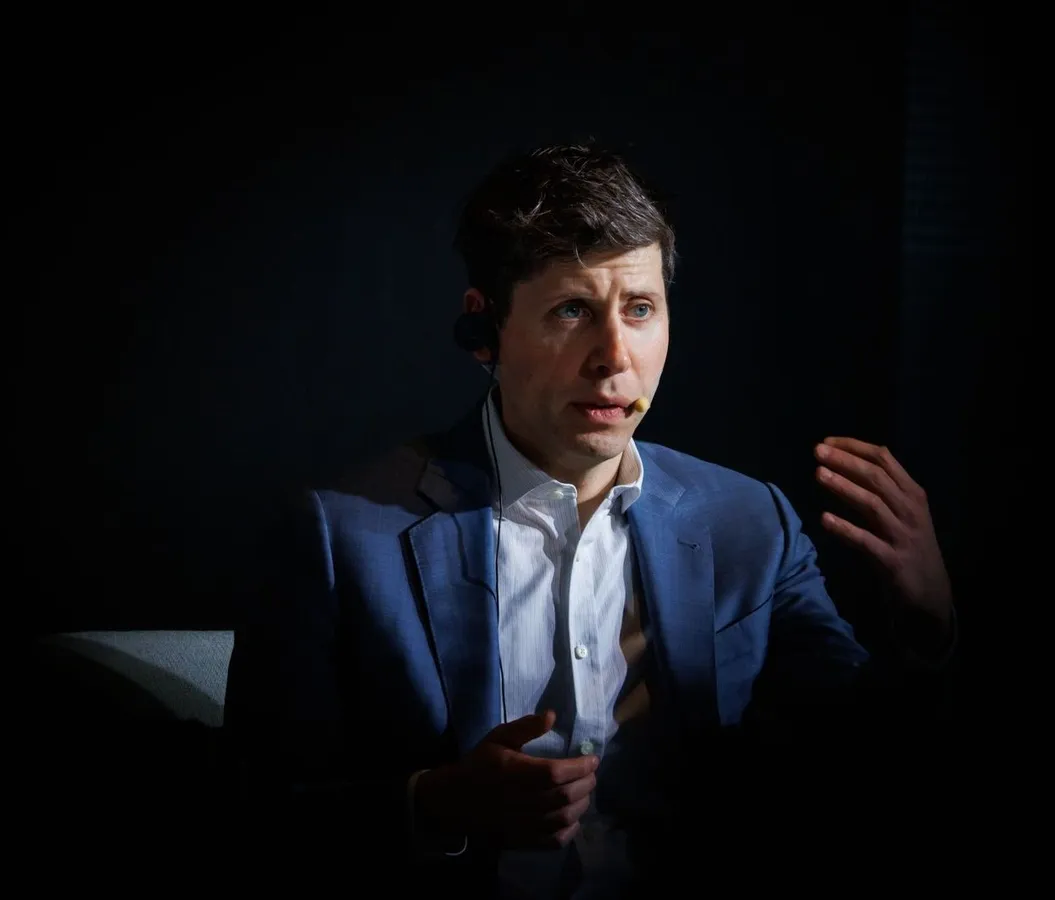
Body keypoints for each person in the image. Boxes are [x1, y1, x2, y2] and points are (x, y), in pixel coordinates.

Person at [223, 144, 957, 895]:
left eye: (639, 309)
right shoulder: (340, 538)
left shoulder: (751, 524)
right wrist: (433, 806)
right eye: (572, 310)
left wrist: (929, 626)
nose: (614, 357)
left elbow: (862, 772)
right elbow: (252, 814)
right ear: (484, 330)